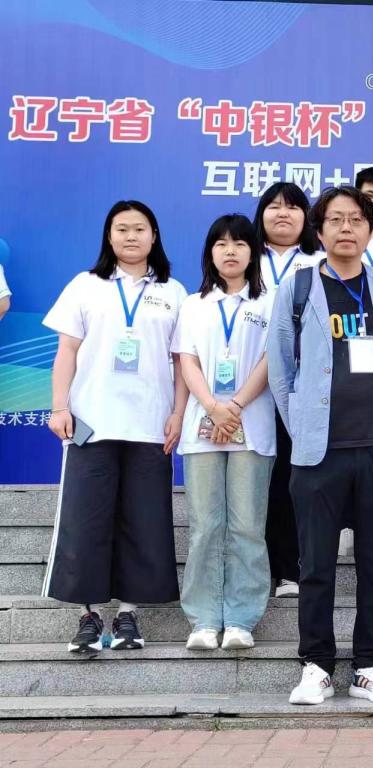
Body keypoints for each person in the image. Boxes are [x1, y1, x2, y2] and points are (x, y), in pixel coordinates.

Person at [267, 186, 373, 706]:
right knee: (315, 565)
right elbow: (280, 368)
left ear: (372, 228)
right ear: (319, 229)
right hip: (319, 452)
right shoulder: (298, 288)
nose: (346, 228)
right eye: (335, 219)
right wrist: (303, 426)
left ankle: (370, 667)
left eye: (357, 219)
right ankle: (316, 666)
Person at [43, 200, 187, 654]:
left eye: (139, 229)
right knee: (87, 520)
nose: (130, 236)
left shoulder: (173, 291)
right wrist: (59, 406)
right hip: (92, 422)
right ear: (109, 236)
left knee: (143, 520)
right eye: (121, 229)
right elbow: (67, 351)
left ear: (154, 236)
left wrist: (178, 413)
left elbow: (182, 362)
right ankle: (88, 615)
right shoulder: (86, 285)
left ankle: (128, 614)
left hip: (150, 424)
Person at [173, 214, 276, 651]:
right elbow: (187, 360)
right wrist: (214, 407)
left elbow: (272, 360)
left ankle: (240, 618)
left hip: (252, 424)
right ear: (209, 253)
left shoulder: (270, 302)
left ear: (253, 252)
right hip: (203, 427)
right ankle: (202, 618)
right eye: (220, 244)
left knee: (247, 525)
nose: (229, 251)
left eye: (239, 243)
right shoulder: (193, 304)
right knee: (205, 524)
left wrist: (233, 406)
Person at [254, 182, 322, 599]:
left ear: (307, 217)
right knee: (256, 481)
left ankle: (292, 568)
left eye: (293, 207)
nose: (283, 214)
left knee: (294, 480)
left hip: (302, 388)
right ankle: (255, 571)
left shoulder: (319, 262)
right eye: (274, 206)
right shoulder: (244, 257)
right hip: (247, 391)